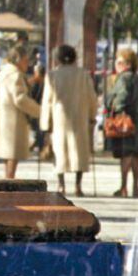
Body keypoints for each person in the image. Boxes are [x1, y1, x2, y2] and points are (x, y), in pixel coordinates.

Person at [41, 45, 96, 196]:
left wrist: (45, 123)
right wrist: (92, 116)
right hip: (80, 117)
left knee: (60, 151)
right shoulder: (83, 75)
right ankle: (78, 185)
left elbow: (47, 100)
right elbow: (92, 98)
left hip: (59, 119)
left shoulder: (52, 75)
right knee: (80, 151)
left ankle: (61, 185)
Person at [0, 46, 42, 179]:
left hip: (4, 115)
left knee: (7, 152)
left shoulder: (4, 72)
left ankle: (8, 177)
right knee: (12, 152)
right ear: (18, 60)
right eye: (25, 60)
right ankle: (10, 178)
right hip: (13, 118)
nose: (27, 63)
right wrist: (39, 111)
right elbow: (20, 98)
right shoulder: (15, 75)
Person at [105, 48, 138, 198]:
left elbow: (121, 97)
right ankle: (136, 187)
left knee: (126, 154)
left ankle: (123, 187)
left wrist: (114, 107)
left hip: (125, 121)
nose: (116, 64)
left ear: (126, 63)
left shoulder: (123, 78)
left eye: (118, 61)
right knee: (136, 155)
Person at [28, 63, 46, 153]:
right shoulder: (46, 81)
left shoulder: (32, 82)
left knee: (37, 127)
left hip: (35, 107)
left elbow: (30, 95)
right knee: (39, 128)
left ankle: (38, 143)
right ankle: (39, 143)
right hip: (41, 107)